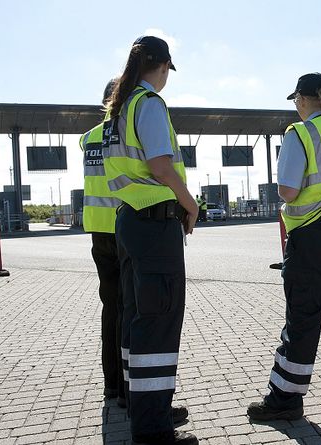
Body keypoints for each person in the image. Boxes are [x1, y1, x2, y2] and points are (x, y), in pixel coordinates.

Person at [247, 73, 321, 421]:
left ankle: (286, 398)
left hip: (314, 233)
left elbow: (287, 190)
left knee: (303, 316)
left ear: (302, 99)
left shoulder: (299, 133)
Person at [102, 35, 198, 445]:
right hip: (154, 225)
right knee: (158, 322)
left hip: (128, 221)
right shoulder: (149, 104)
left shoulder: (118, 109)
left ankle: (146, 407)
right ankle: (153, 428)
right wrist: (189, 203)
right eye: (166, 72)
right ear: (161, 67)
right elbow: (161, 164)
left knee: (137, 320)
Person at [79, 78, 126, 407]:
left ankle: (112, 385)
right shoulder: (125, 135)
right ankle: (129, 388)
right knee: (132, 309)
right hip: (125, 229)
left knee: (111, 308)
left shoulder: (88, 139)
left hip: (98, 232)